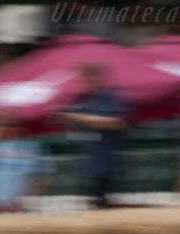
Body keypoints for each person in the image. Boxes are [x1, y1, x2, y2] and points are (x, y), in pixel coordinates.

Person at [54, 63, 128, 209]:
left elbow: (118, 122)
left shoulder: (111, 97)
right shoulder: (84, 101)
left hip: (107, 164)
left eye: (85, 78)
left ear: (96, 78)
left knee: (106, 207)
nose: (82, 83)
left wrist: (77, 118)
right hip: (87, 164)